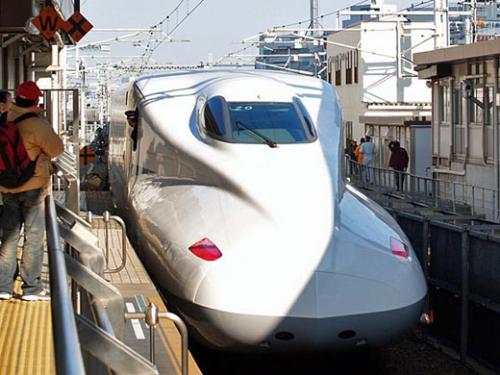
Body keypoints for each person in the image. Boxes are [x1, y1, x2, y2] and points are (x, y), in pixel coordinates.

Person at [0, 81, 64, 301]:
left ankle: (3, 286)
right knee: (33, 238)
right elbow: (57, 149)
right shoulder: (37, 124)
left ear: (17, 98)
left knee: (8, 238)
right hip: (33, 188)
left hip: (7, 187)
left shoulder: (6, 118)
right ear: (37, 100)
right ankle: (31, 289)